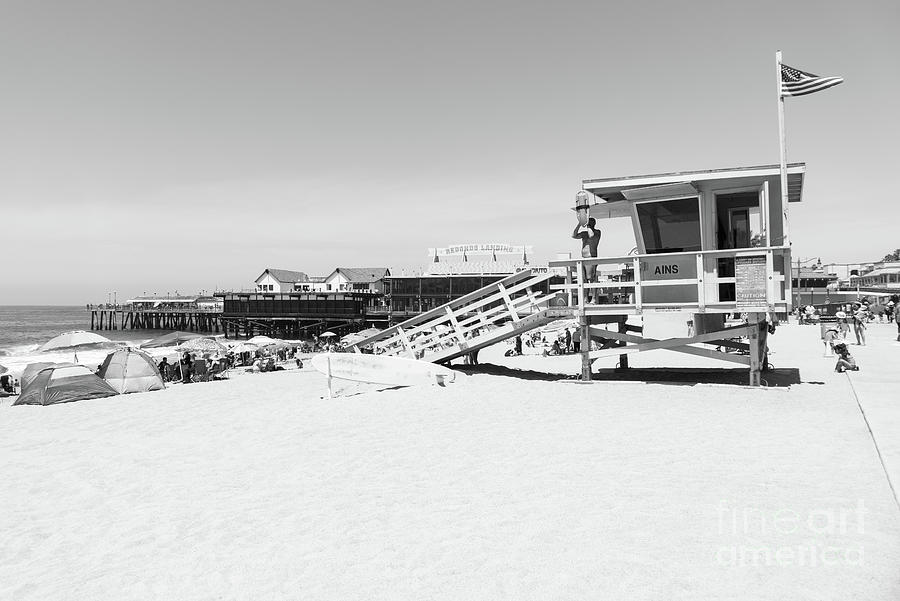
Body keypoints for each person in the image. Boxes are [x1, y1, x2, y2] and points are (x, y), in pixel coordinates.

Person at [572, 196, 601, 302]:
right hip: (583, 258)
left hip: (591, 257)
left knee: (591, 279)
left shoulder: (597, 232)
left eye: (591, 223)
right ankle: (585, 298)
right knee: (583, 279)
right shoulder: (584, 233)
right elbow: (574, 235)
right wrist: (579, 224)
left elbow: (591, 235)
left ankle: (593, 298)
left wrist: (588, 224)